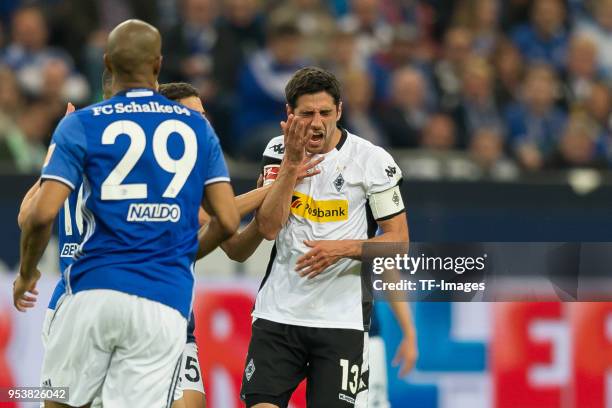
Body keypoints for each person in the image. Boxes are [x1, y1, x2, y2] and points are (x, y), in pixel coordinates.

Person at [14, 19, 240, 407]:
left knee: (59, 400)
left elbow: (37, 216)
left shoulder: (79, 125)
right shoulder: (196, 129)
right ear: (158, 64)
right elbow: (229, 220)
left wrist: (26, 272)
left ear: (107, 61)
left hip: (90, 292)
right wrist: (181, 253)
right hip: (162, 301)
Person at [240, 66, 411, 408]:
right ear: (289, 115)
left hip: (341, 320)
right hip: (279, 313)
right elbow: (269, 227)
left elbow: (398, 242)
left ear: (340, 111)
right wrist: (290, 165)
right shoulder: (277, 151)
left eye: (325, 113)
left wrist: (343, 249)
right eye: (306, 114)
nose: (316, 123)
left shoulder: (372, 161)